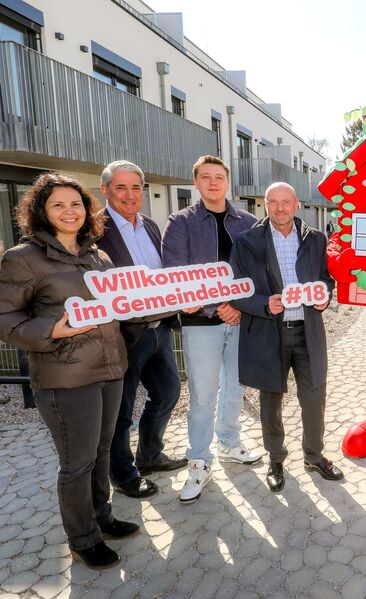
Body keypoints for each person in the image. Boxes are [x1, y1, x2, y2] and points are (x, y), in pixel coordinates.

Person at [0, 174, 141, 569]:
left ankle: (102, 518)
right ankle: (82, 538)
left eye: (76, 203)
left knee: (101, 451)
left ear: (86, 209)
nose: (69, 211)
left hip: (109, 371)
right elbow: (5, 319)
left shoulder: (97, 256)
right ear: (41, 211)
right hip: (66, 378)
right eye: (58, 204)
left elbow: (118, 307)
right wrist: (52, 330)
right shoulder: (22, 258)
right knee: (77, 463)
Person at [229, 182, 343, 492]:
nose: (280, 208)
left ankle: (314, 456)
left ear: (296, 205)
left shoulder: (316, 239)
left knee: (314, 397)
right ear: (265, 205)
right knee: (271, 401)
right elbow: (236, 290)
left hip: (307, 332)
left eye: (286, 202)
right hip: (269, 333)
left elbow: (326, 279)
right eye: (273, 202)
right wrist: (263, 304)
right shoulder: (247, 241)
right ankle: (276, 459)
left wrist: (324, 297)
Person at [162, 155, 262, 504]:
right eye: (206, 176)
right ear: (196, 182)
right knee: (203, 396)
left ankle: (230, 443)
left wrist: (238, 307)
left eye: (219, 176)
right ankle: (199, 462)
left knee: (236, 388)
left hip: (240, 320)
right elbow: (176, 271)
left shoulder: (248, 222)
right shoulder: (181, 222)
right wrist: (216, 305)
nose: (213, 182)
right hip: (200, 323)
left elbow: (257, 272)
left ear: (227, 182)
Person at [96, 160, 185, 499]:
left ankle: (149, 455)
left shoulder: (149, 225)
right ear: (105, 190)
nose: (130, 195)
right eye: (121, 187)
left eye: (136, 187)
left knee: (168, 392)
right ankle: (123, 474)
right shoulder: (94, 229)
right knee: (120, 410)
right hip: (124, 335)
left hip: (158, 328)